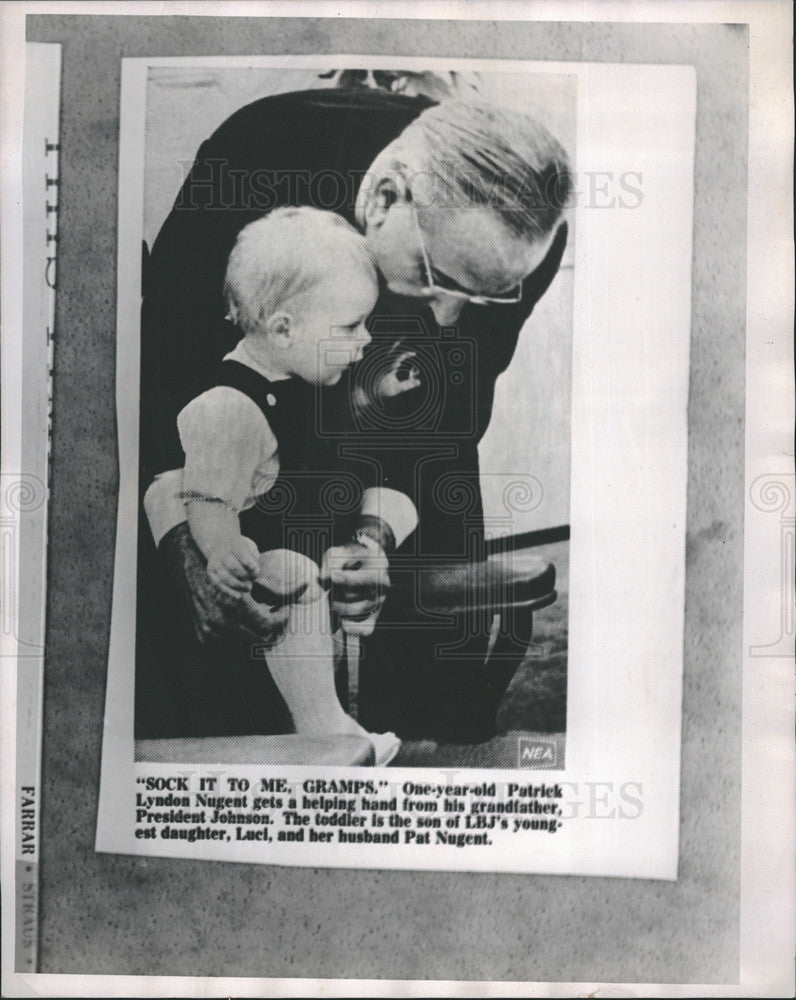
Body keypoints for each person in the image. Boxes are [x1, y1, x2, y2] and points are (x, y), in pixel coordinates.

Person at [137, 83, 572, 743]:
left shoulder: (524, 238)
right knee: (214, 671)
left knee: (433, 692)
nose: (446, 315)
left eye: (478, 298)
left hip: (395, 433)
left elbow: (445, 417)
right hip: (234, 425)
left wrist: (373, 538)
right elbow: (161, 379)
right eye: (440, 279)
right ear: (383, 199)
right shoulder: (251, 162)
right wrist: (182, 541)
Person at [140, 208, 413, 760]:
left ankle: (327, 721)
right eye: (350, 327)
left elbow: (322, 442)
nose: (365, 339)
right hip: (256, 588)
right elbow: (203, 495)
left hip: (305, 581)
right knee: (291, 573)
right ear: (284, 327)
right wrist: (221, 553)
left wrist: (376, 395)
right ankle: (327, 728)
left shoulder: (300, 378)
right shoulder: (228, 408)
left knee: (314, 578)